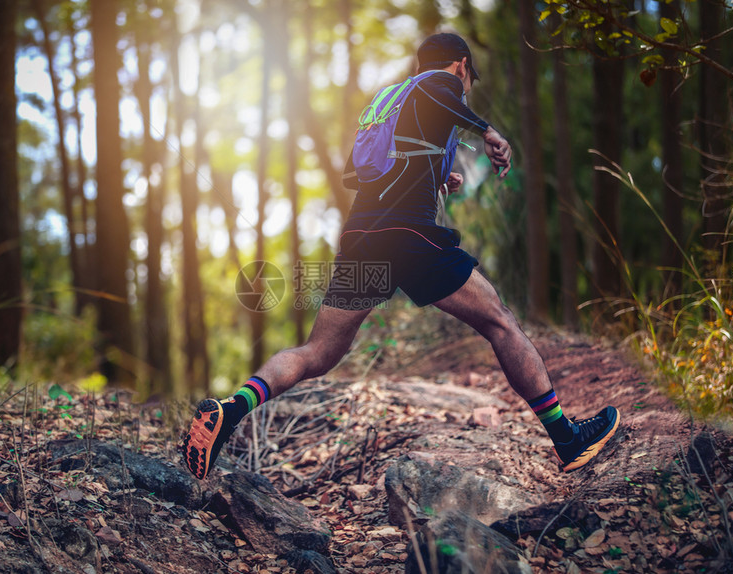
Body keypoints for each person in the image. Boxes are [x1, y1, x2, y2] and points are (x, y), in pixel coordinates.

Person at [181, 32, 620, 480]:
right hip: (408, 235)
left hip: (362, 237)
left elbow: (359, 173)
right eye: (468, 79)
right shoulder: (441, 83)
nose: (465, 87)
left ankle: (231, 409)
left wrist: (434, 176)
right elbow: (446, 100)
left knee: (317, 352)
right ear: (461, 65)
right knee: (501, 321)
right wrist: (488, 129)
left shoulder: (387, 100)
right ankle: (567, 438)